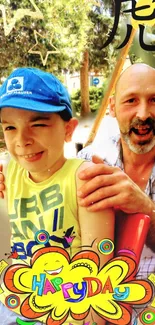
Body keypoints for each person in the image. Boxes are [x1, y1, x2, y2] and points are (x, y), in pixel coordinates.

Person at [0, 67, 114, 325]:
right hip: (21, 302)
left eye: (38, 124)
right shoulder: (11, 169)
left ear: (68, 129)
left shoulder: (85, 180)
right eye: (9, 127)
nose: (22, 140)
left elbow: (99, 282)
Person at [77, 63, 155, 321]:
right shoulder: (89, 161)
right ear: (112, 107)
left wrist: (146, 209)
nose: (143, 114)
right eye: (131, 100)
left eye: (154, 100)